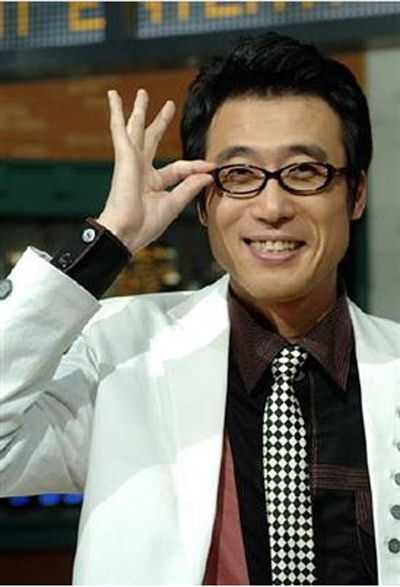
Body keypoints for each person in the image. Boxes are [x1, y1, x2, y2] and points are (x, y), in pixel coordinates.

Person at [0, 31, 397, 585]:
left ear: (355, 194)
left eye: (305, 172)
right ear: (204, 201)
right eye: (239, 175)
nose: (273, 206)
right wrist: (111, 238)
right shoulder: (122, 354)